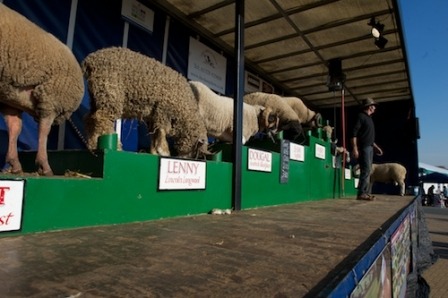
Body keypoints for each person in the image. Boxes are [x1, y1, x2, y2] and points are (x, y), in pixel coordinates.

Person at [350, 97, 383, 201]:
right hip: (363, 148)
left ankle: (366, 193)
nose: (375, 108)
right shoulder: (360, 117)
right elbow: (353, 133)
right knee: (366, 170)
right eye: (373, 106)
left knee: (368, 171)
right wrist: (355, 148)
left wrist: (376, 147)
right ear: (369, 107)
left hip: (370, 148)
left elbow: (368, 136)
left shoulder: (369, 119)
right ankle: (362, 193)